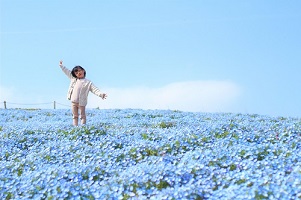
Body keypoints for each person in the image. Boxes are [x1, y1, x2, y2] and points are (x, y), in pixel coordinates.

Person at [59, 60, 107, 126]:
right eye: (76, 73)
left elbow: (95, 89)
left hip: (82, 102)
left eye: (80, 70)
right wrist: (61, 66)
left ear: (83, 70)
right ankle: (75, 127)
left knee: (82, 116)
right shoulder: (73, 79)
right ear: (74, 75)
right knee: (75, 116)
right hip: (73, 102)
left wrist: (101, 94)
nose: (78, 73)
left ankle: (83, 127)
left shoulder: (88, 82)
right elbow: (67, 71)